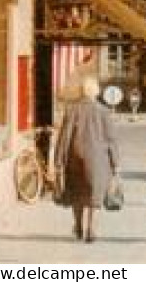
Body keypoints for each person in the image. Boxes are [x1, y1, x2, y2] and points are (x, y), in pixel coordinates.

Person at [54, 76, 119, 243]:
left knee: (77, 193)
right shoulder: (104, 112)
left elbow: (64, 137)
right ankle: (91, 228)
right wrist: (115, 163)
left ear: (82, 91)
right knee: (94, 194)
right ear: (96, 92)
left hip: (75, 157)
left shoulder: (72, 110)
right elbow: (111, 140)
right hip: (98, 160)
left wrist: (58, 161)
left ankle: (77, 226)